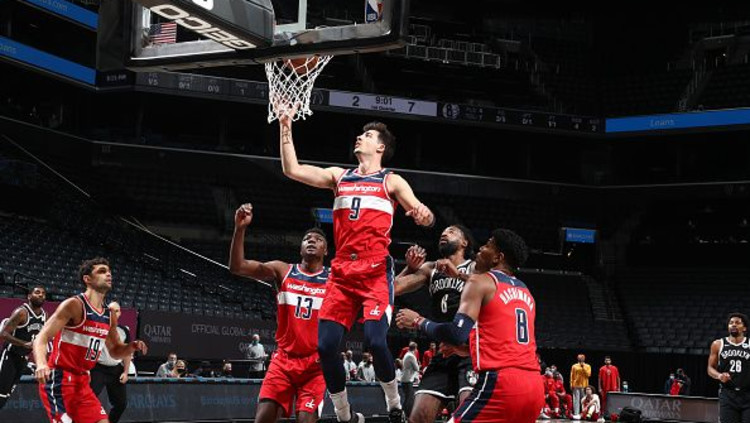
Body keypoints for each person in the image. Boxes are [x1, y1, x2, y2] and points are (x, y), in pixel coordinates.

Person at [278, 108, 435, 423]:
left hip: (375, 271)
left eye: (368, 135)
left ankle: (393, 403)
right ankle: (344, 414)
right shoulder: (339, 177)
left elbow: (425, 214)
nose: (360, 137)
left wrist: (423, 215)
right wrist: (285, 126)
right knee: (325, 347)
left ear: (380, 147)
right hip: (342, 273)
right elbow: (292, 170)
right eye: (361, 134)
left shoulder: (391, 180)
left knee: (376, 341)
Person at [396, 229, 544, 423]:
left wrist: (418, 321)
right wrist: (465, 349)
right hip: (534, 386)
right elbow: (502, 343)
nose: (481, 248)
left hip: (501, 382)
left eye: (488, 245)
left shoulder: (478, 278)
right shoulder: (525, 291)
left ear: (497, 257)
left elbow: (457, 333)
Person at [229, 203, 329, 423]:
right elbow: (237, 266)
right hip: (283, 360)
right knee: (262, 418)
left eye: (318, 239)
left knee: (306, 419)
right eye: (307, 239)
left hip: (315, 365)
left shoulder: (334, 280)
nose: (312, 241)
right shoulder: (283, 270)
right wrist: (240, 229)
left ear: (326, 250)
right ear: (300, 249)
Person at [32, 257, 147, 423]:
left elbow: (115, 351)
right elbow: (41, 337)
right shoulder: (74, 305)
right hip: (60, 380)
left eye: (109, 272)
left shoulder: (109, 315)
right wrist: (41, 364)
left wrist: (132, 346)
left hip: (83, 382)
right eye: (102, 271)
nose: (108, 274)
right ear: (87, 279)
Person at [394, 225, 476, 423]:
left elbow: (491, 286)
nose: (445, 234)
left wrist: (458, 274)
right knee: (418, 417)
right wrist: (409, 268)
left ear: (464, 242)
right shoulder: (431, 269)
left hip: (470, 352)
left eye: (452, 231)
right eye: (443, 232)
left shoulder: (473, 267)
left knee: (471, 415)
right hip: (444, 352)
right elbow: (393, 288)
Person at [0, 285, 46, 410]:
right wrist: (23, 343)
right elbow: (3, 334)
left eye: (43, 293)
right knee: (1, 393)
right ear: (29, 296)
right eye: (37, 292)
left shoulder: (44, 316)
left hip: (23, 359)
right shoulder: (21, 313)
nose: (41, 295)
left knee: (6, 395)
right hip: (10, 355)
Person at [89, 302, 132, 423]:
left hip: (116, 370)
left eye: (116, 311)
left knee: (121, 404)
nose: (113, 313)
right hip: (98, 369)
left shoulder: (124, 330)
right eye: (111, 311)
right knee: (86, 401)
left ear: (120, 313)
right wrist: (86, 369)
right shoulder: (97, 327)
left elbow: (127, 353)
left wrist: (126, 372)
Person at [708, 312, 750, 423]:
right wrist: (719, 375)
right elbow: (710, 368)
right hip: (728, 394)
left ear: (744, 328)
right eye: (731, 323)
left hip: (748, 393)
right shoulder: (718, 344)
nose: (733, 325)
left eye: (737, 323)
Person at [401, 342, 420, 416]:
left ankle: (404, 414)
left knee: (408, 398)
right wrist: (419, 365)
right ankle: (407, 414)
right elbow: (417, 368)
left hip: (406, 379)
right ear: (415, 349)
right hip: (407, 380)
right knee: (409, 399)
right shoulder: (411, 356)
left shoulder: (407, 354)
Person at [570, 354, 591, 418]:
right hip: (576, 385)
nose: (580, 358)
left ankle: (584, 413)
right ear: (577, 358)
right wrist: (571, 384)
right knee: (576, 400)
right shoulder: (574, 366)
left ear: (584, 358)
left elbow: (588, 375)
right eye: (579, 357)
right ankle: (576, 413)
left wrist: (583, 367)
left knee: (584, 400)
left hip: (584, 385)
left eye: (582, 357)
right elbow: (572, 376)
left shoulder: (587, 366)